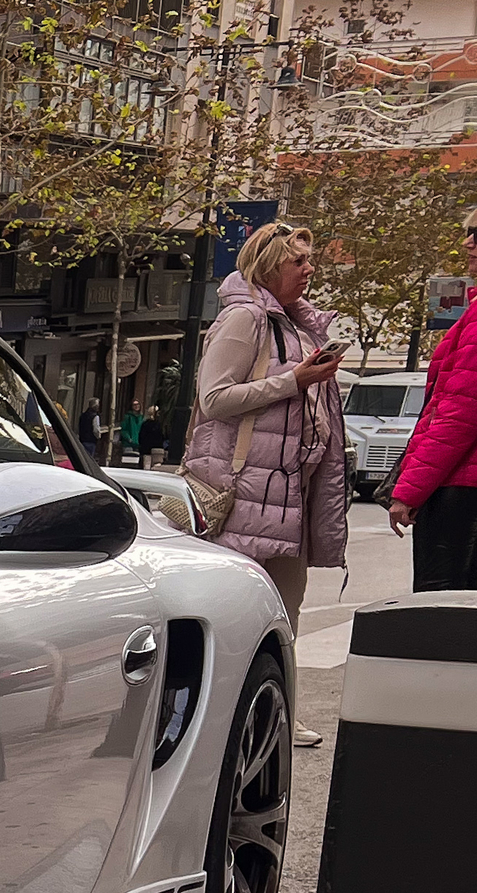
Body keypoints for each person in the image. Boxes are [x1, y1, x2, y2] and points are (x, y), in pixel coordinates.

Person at [186, 219, 347, 745]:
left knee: (285, 615)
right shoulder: (244, 321)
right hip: (241, 496)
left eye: (309, 261)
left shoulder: (299, 326)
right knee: (235, 617)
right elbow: (214, 399)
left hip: (289, 497)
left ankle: (277, 714)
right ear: (267, 265)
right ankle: (218, 719)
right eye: (297, 262)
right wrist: (294, 380)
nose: (309, 270)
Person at [385, 207, 477, 591]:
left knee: (444, 616)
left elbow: (458, 415)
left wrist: (408, 491)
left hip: (462, 493)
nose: (469, 243)